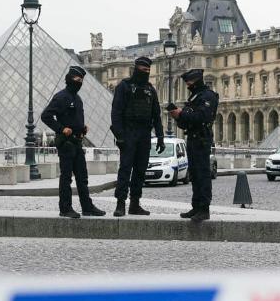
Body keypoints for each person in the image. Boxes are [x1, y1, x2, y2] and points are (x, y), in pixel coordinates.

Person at [41, 66, 106, 219]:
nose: (80, 82)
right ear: (70, 79)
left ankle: (87, 207)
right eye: (77, 79)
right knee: (66, 177)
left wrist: (82, 128)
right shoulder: (61, 97)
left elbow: (75, 120)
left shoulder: (78, 99)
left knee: (82, 177)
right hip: (66, 144)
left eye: (82, 80)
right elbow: (46, 116)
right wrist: (61, 128)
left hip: (77, 142)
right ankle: (65, 208)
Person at [110, 57, 165, 217]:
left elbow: (156, 115)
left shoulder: (150, 89)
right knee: (125, 169)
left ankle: (135, 203)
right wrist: (120, 136)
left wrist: (160, 136)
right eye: (143, 70)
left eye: (148, 70)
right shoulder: (124, 86)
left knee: (140, 171)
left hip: (144, 134)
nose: (145, 72)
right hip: (129, 132)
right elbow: (116, 112)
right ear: (136, 69)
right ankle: (120, 203)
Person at [169, 69, 219, 221]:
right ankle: (196, 206)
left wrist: (182, 114)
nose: (188, 85)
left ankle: (204, 209)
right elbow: (186, 123)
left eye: (189, 82)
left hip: (202, 139)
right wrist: (177, 117)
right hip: (192, 138)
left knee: (203, 174)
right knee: (194, 174)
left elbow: (202, 116)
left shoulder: (208, 96)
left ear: (197, 80)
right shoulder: (194, 97)